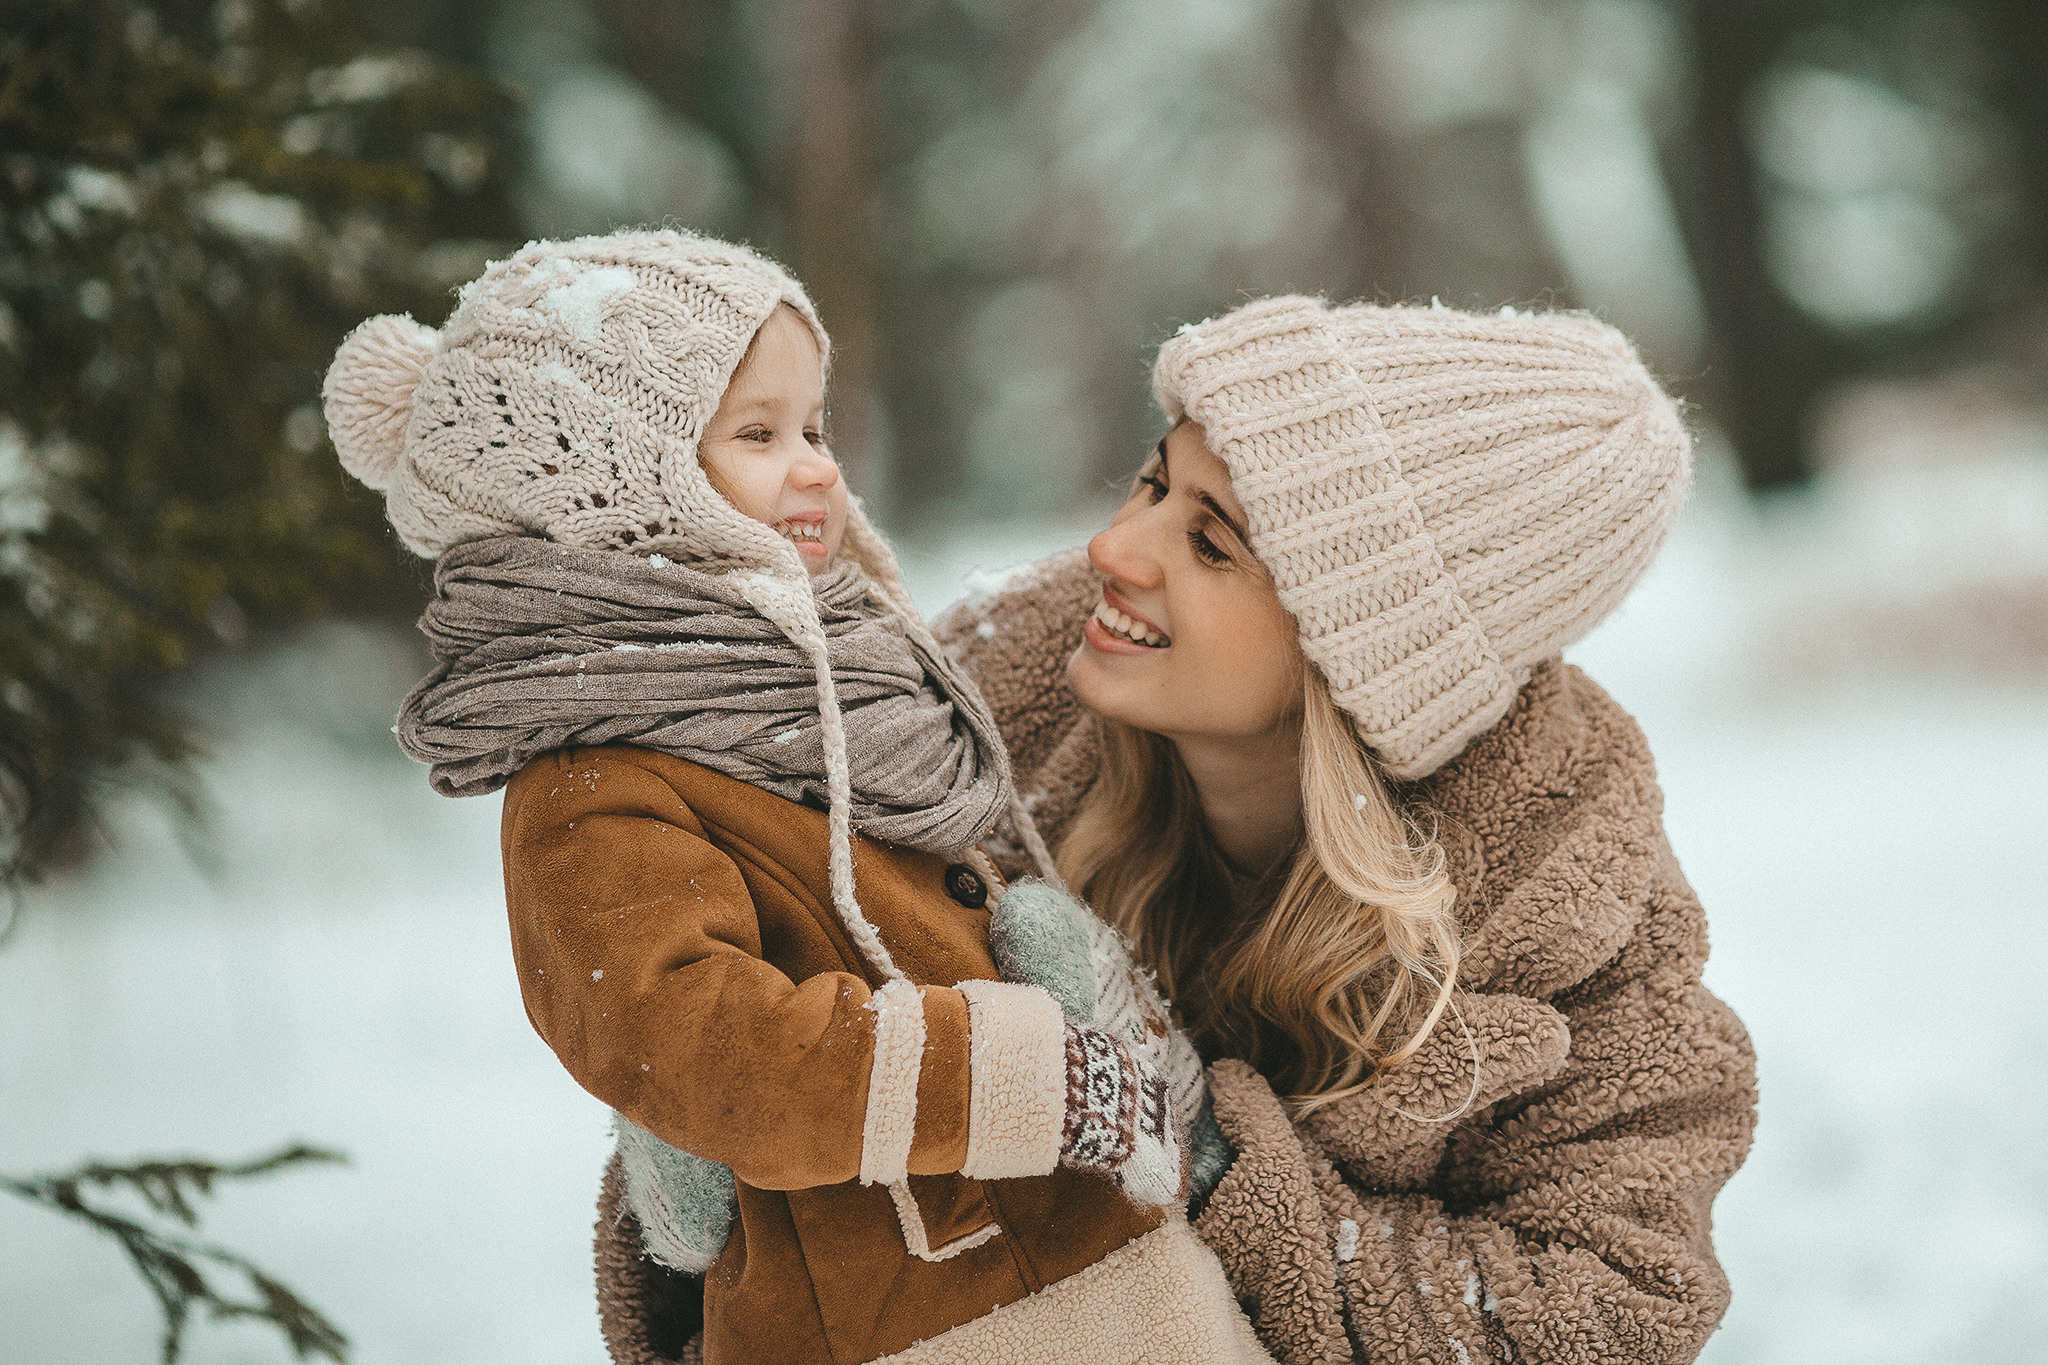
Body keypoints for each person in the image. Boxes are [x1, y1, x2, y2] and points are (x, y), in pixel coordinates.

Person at [319, 231, 1269, 1365]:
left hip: (1107, 1284)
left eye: (813, 428)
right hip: (907, 1323)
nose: (817, 466)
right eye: (758, 435)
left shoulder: (853, 677)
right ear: (620, 489)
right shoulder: (593, 776)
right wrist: (1022, 1072)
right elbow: (691, 1042)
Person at [934, 295, 1759, 1364]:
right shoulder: (982, 717)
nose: (1112, 545)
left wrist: (1198, 1150)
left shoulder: (1567, 915)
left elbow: (1602, 1314)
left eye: (1209, 543)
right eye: (1152, 481)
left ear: (1355, 659)